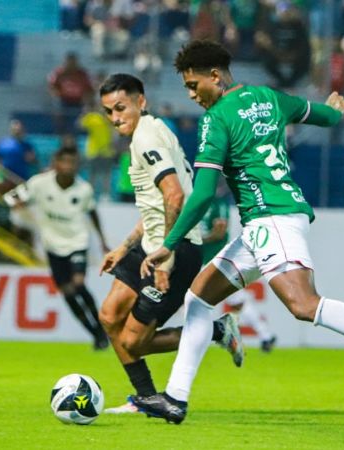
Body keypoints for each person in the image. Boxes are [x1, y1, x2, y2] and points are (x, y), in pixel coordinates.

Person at [135, 40, 344, 423]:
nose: (191, 95)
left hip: (270, 218)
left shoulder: (218, 118)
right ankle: (175, 398)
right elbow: (320, 115)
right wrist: (336, 114)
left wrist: (169, 244)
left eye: (194, 85)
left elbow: (205, 192)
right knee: (199, 298)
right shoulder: (268, 98)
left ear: (215, 76)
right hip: (267, 222)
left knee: (304, 305)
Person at [95, 74, 241, 414]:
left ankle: (214, 331)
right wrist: (125, 246)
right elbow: (157, 205)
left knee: (134, 341)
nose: (115, 118)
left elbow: (174, 196)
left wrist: (166, 258)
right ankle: (146, 397)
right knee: (109, 315)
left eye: (120, 108)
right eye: (108, 112)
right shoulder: (152, 132)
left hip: (174, 251)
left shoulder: (146, 139)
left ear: (140, 102)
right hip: (151, 245)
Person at [4, 146, 111, 349]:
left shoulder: (84, 189)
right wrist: (17, 204)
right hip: (52, 246)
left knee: (78, 284)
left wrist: (102, 240)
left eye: (73, 163)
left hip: (77, 242)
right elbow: (11, 197)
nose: (69, 167)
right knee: (68, 293)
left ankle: (100, 327)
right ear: (56, 164)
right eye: (65, 162)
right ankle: (95, 334)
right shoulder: (39, 183)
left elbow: (92, 213)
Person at [200, 180, 276, 352]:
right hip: (207, 260)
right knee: (235, 301)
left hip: (215, 261)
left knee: (232, 301)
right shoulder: (205, 203)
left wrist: (197, 240)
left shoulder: (217, 204)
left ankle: (265, 336)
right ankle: (266, 336)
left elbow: (219, 231)